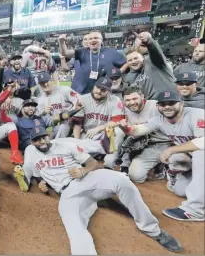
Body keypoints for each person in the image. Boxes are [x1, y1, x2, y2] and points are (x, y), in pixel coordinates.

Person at [13, 126, 182, 255]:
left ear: (48, 135)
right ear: (31, 141)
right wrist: (42, 183)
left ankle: (152, 229)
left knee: (122, 180)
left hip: (87, 179)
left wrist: (83, 171)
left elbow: (92, 163)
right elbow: (35, 174)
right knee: (71, 222)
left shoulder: (65, 145)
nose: (42, 142)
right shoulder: (30, 153)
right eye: (37, 139)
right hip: (68, 193)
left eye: (43, 137)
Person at [118, 90, 204, 222]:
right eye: (163, 104)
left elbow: (202, 142)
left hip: (199, 156)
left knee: (200, 153)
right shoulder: (159, 120)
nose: (167, 107)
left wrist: (172, 150)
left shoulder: (196, 114)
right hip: (190, 160)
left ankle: (195, 210)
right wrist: (126, 129)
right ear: (158, 107)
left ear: (181, 103)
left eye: (171, 103)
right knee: (181, 190)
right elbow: (138, 131)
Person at [70, 77, 125, 169]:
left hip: (106, 134)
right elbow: (77, 123)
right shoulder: (82, 99)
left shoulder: (115, 100)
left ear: (108, 91)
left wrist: (98, 129)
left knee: (119, 131)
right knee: (78, 154)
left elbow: (116, 121)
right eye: (98, 87)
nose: (99, 91)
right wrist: (77, 142)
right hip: (87, 135)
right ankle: (100, 151)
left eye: (103, 90)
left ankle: (109, 160)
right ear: (93, 86)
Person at [119, 86, 171, 181]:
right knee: (135, 175)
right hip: (141, 140)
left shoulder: (156, 106)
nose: (131, 102)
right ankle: (125, 166)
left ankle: (161, 163)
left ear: (142, 97)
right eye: (128, 100)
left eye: (135, 98)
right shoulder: (126, 109)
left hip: (160, 142)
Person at [59, 31, 126, 94]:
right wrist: (61, 41)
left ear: (101, 40)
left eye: (96, 38)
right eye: (90, 39)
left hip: (99, 91)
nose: (92, 40)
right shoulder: (82, 52)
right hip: (78, 91)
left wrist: (115, 75)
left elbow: (126, 63)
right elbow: (65, 53)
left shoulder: (110, 52)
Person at [123, 31, 176, 100]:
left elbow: (155, 51)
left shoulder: (154, 61)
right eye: (130, 60)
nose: (133, 61)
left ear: (143, 58)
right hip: (150, 106)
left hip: (170, 100)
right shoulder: (129, 77)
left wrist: (148, 41)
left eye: (136, 58)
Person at [35, 72, 80, 138]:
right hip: (56, 124)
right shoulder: (41, 99)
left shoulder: (64, 90)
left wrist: (72, 113)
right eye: (42, 83)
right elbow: (37, 115)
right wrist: (44, 111)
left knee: (63, 127)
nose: (45, 84)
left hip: (71, 121)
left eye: (46, 81)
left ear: (51, 81)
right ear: (39, 85)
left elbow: (79, 100)